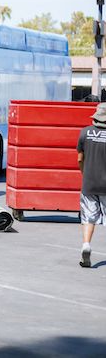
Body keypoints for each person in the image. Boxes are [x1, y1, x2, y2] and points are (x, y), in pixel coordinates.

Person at [76, 102, 106, 268]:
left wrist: (84, 173)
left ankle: (86, 245)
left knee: (88, 217)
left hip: (89, 183)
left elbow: (80, 159)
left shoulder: (85, 133)